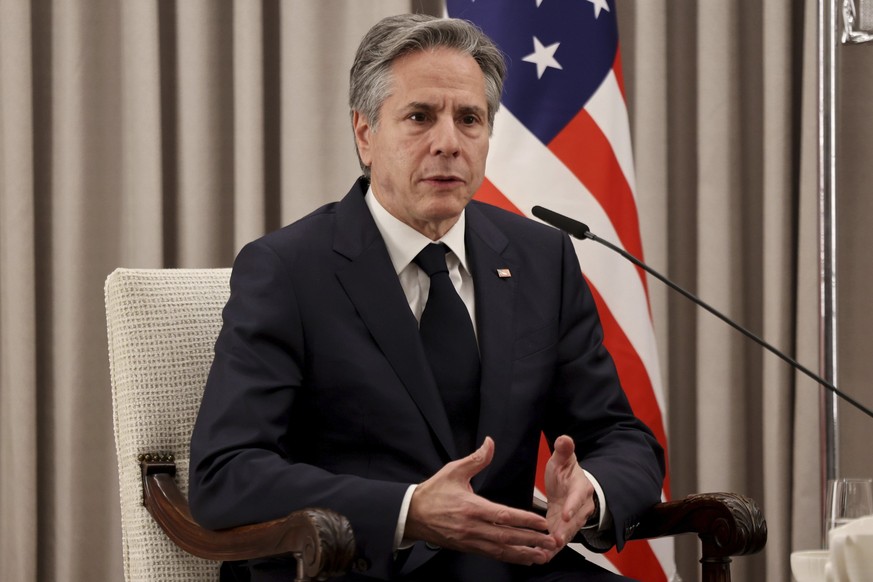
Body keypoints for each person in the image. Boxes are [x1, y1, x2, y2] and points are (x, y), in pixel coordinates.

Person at [189, 13, 665, 582]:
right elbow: (225, 474)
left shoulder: (543, 259)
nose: (448, 143)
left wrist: (591, 489)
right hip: (352, 565)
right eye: (419, 117)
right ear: (365, 134)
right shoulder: (287, 269)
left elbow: (620, 436)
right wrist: (408, 510)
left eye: (469, 119)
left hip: (510, 568)